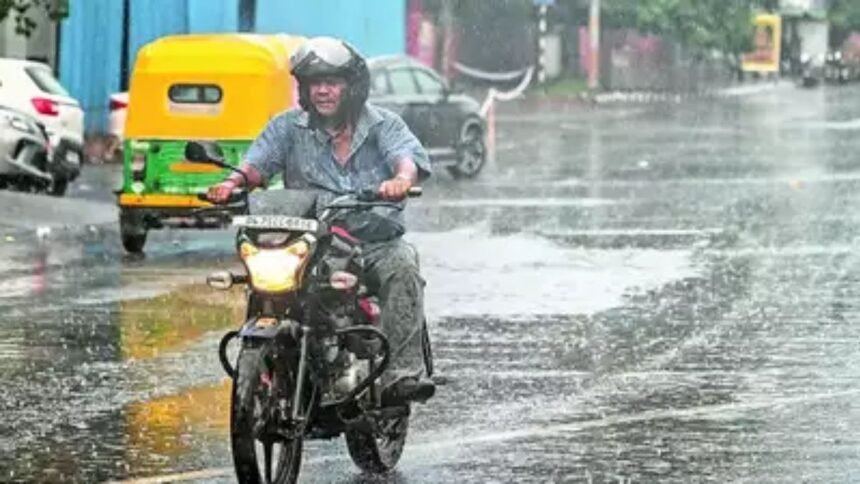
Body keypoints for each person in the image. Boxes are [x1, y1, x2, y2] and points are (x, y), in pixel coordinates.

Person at [207, 36, 434, 405]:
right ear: (304, 88)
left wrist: (401, 181)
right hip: (313, 242)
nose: (323, 91)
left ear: (351, 86)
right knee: (266, 280)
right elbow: (257, 165)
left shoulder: (384, 125)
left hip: (372, 241)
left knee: (403, 267)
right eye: (315, 83)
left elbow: (405, 158)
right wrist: (230, 182)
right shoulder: (287, 128)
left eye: (332, 82)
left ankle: (402, 376)